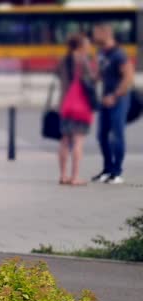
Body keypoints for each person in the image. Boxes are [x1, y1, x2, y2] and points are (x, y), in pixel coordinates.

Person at [92, 23, 134, 185]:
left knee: (117, 135)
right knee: (101, 135)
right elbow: (101, 73)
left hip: (119, 99)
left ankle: (117, 172)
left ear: (106, 33)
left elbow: (128, 77)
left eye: (96, 33)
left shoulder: (119, 54)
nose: (94, 37)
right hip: (105, 99)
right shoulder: (101, 52)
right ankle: (107, 169)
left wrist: (115, 96)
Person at [56, 34, 95, 186]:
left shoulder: (63, 60)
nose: (88, 46)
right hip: (80, 106)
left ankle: (63, 175)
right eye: (86, 44)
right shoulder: (82, 60)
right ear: (80, 45)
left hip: (64, 105)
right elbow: (91, 79)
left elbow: (59, 77)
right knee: (78, 141)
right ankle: (75, 177)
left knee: (64, 140)